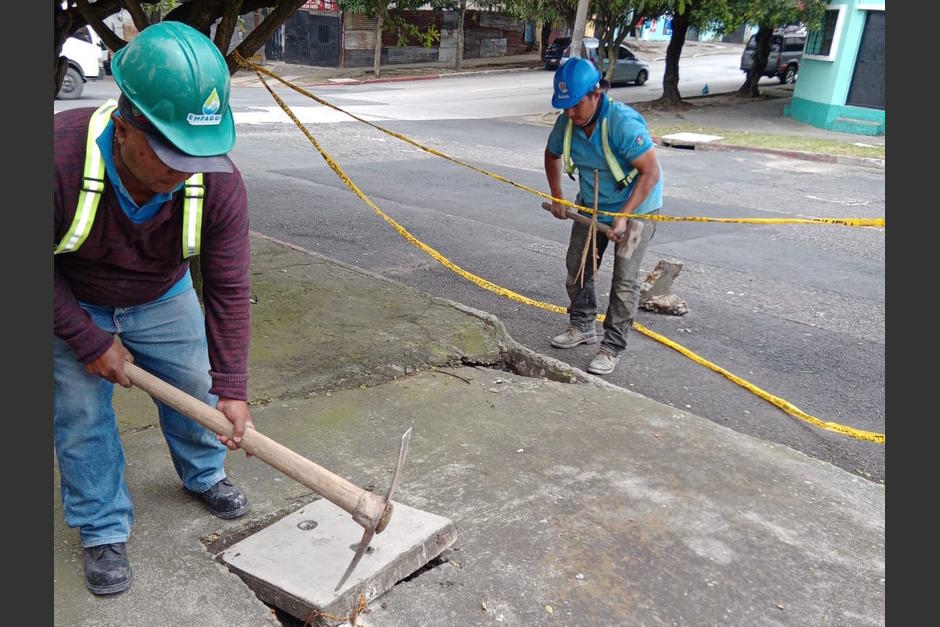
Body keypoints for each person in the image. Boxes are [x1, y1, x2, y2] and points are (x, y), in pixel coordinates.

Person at [54, 21, 254, 595]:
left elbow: (228, 288)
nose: (185, 168)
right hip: (74, 296)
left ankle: (204, 474)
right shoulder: (55, 159)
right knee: (81, 414)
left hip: (163, 295)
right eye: (170, 153)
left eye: (198, 153)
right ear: (124, 127)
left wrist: (233, 387)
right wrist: (85, 338)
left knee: (197, 391)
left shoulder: (218, 183)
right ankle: (101, 528)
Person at [544, 57, 663, 375]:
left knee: (624, 281)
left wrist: (623, 217)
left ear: (596, 94)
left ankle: (612, 347)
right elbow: (551, 153)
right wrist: (557, 196)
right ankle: (582, 325)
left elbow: (650, 172)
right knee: (578, 266)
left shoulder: (623, 123)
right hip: (593, 204)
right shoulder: (567, 122)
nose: (569, 112)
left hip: (637, 209)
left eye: (575, 104)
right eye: (564, 105)